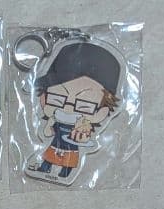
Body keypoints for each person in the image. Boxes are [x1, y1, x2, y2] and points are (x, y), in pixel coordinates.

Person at [26, 40, 123, 184]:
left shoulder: (83, 126)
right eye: (57, 100)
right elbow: (48, 133)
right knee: (49, 158)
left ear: (102, 112)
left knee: (68, 162)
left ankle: (64, 174)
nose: (68, 109)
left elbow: (85, 140)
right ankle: (44, 169)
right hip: (54, 145)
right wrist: (49, 126)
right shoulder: (54, 118)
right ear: (44, 98)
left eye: (84, 106)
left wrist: (82, 136)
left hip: (72, 150)